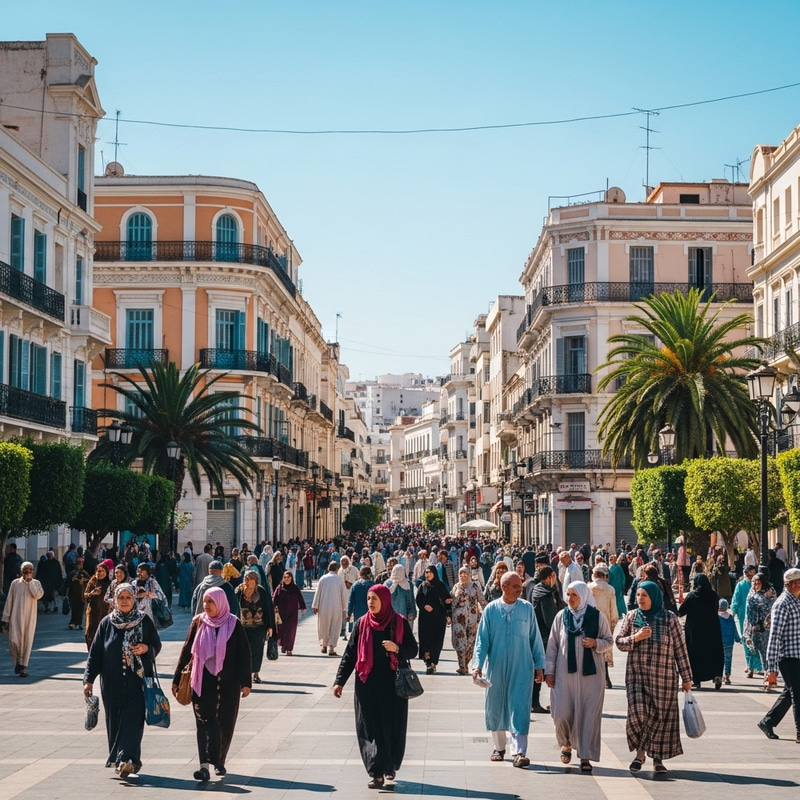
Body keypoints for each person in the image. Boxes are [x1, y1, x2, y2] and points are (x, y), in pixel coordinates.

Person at [333, 584, 418, 789]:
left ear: (385, 600)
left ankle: (389, 766)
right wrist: (339, 681)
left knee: (391, 728)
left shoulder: (398, 622)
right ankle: (376, 772)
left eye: (374, 599)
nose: (370, 602)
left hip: (393, 686)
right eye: (369, 598)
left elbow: (413, 649)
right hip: (367, 684)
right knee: (369, 728)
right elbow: (350, 655)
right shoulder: (362, 624)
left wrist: (397, 648)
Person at [172, 587, 252, 782]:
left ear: (221, 603)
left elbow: (244, 654)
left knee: (224, 723)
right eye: (205, 602)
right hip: (201, 682)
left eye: (211, 602)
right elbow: (186, 651)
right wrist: (176, 679)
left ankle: (219, 760)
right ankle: (204, 766)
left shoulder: (234, 624)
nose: (206, 606)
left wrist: (245, 683)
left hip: (228, 684)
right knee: (204, 721)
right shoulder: (198, 622)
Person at [83, 583, 162, 779]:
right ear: (115, 600)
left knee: (133, 721)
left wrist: (146, 649)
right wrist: (88, 680)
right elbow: (95, 655)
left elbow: (156, 645)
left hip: (138, 682)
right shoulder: (107, 623)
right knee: (115, 722)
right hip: (112, 684)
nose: (125, 601)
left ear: (134, 599)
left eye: (128, 597)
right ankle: (120, 762)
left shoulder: (144, 621)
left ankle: (129, 760)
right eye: (121, 598)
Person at [615, 581, 693, 775]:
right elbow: (619, 642)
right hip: (637, 677)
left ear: (654, 597)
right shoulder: (633, 617)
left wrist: (686, 677)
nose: (640, 599)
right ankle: (640, 753)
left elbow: (680, 650)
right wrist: (636, 638)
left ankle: (656, 759)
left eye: (644, 595)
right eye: (638, 595)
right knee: (638, 712)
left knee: (660, 719)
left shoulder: (670, 619)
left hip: (663, 679)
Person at [473, 572, 545, 768]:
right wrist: (477, 666)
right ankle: (499, 747)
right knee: (495, 706)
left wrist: (540, 665)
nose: (520, 590)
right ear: (504, 587)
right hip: (495, 667)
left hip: (522, 668)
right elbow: (482, 642)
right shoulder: (490, 610)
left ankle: (519, 752)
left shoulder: (527, 609)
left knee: (519, 707)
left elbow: (535, 639)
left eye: (520, 586)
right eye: (515, 586)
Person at [545, 582, 613, 772]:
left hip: (591, 678)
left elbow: (609, 641)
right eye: (567, 594)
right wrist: (549, 671)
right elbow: (552, 647)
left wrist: (595, 643)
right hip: (564, 677)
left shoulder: (596, 616)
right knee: (561, 713)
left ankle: (585, 755)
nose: (570, 599)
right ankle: (566, 744)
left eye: (574, 595)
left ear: (583, 596)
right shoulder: (561, 617)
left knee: (588, 716)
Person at [759, 567, 800, 741]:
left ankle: (767, 721)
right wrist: (771, 668)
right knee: (797, 693)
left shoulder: (796, 601)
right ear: (793, 584)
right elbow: (774, 636)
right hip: (788, 656)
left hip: (797, 654)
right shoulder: (782, 603)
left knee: (790, 692)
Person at [526, 564, 565, 714]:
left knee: (540, 669)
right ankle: (535, 702)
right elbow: (550, 619)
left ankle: (536, 701)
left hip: (540, 635)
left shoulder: (539, 589)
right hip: (545, 637)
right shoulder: (545, 594)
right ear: (549, 577)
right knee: (542, 669)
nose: (555, 579)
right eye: (554, 576)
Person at [1, 562, 43, 677]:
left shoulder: (36, 583)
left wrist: (30, 584)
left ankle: (23, 667)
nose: (28, 572)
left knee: (27, 642)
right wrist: (5, 618)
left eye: (30, 570)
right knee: (14, 641)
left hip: (29, 618)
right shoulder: (15, 584)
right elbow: (9, 600)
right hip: (16, 616)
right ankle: (17, 662)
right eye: (25, 570)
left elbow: (38, 595)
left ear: (33, 571)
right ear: (21, 571)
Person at [235, 568, 275, 683]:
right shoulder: (239, 591)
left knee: (257, 650)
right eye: (245, 578)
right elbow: (234, 607)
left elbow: (268, 608)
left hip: (259, 626)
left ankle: (256, 673)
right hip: (243, 626)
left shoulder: (261, 591)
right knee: (244, 650)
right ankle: (244, 673)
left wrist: (270, 625)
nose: (246, 581)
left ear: (255, 580)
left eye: (249, 579)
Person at [450, 565, 486, 674]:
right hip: (458, 620)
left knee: (471, 642)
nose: (463, 576)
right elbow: (451, 604)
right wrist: (456, 597)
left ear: (469, 575)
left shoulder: (475, 586)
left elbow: (482, 601)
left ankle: (465, 663)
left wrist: (486, 613)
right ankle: (462, 666)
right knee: (460, 642)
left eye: (465, 574)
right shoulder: (456, 587)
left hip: (473, 619)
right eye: (461, 574)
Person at [588, 565, 620, 689]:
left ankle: (594, 678)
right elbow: (614, 612)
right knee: (604, 649)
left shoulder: (588, 587)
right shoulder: (610, 589)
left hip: (590, 622)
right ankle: (606, 677)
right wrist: (612, 627)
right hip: (605, 622)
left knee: (591, 649)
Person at [415, 565, 451, 674]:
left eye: (430, 572)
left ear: (434, 573)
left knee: (436, 641)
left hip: (438, 618)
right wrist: (424, 606)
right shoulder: (423, 586)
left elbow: (447, 600)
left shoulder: (440, 585)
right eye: (426, 572)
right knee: (426, 641)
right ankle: (428, 663)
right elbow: (418, 600)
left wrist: (449, 614)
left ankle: (434, 662)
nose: (428, 574)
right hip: (425, 619)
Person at [746, 573, 777, 688]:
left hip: (769, 626)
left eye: (758, 582)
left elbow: (773, 606)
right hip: (757, 627)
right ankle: (764, 673)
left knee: (768, 652)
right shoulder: (752, 594)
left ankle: (769, 675)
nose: (755, 584)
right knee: (761, 651)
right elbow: (749, 612)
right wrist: (751, 626)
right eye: (754, 582)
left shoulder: (770, 592)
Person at [731, 564, 762, 677]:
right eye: (750, 572)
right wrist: (733, 612)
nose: (752, 575)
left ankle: (758, 665)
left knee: (757, 640)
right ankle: (749, 664)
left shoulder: (759, 585)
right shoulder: (741, 585)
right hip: (743, 615)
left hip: (757, 617)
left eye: (754, 572)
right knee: (747, 640)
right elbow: (736, 599)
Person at [312, 560, 348, 657]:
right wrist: (345, 607)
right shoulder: (339, 580)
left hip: (323, 606)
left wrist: (315, 606)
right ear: (337, 569)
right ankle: (331, 648)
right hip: (336, 607)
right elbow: (344, 595)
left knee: (323, 625)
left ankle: (324, 645)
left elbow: (318, 593)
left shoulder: (323, 578)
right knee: (335, 626)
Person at [273, 570, 307, 655]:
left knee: (290, 631)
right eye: (285, 577)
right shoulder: (280, 588)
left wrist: (303, 607)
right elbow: (274, 598)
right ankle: (283, 645)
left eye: (288, 577)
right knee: (281, 630)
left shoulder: (295, 588)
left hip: (292, 613)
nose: (286, 579)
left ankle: (289, 649)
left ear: (291, 578)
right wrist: (274, 607)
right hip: (281, 613)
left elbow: (300, 598)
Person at [83, 560, 113, 650]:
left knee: (104, 634)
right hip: (93, 613)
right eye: (98, 571)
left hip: (106, 613)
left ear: (106, 572)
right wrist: (92, 594)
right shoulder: (92, 582)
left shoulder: (110, 584)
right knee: (90, 635)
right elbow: (85, 596)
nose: (99, 573)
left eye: (102, 571)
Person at [717, 599, 740, 685]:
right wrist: (737, 639)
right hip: (730, 641)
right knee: (728, 658)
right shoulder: (730, 617)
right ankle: (727, 676)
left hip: (720, 641)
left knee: (719, 658)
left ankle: (719, 674)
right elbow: (734, 629)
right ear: (727, 607)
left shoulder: (717, 617)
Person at [65, 556, 90, 630]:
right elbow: (67, 583)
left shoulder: (85, 573)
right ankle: (72, 623)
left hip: (81, 594)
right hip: (72, 594)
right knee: (74, 609)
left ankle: (79, 623)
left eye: (81, 563)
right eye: (79, 563)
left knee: (80, 609)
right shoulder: (72, 573)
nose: (79, 565)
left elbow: (90, 581)